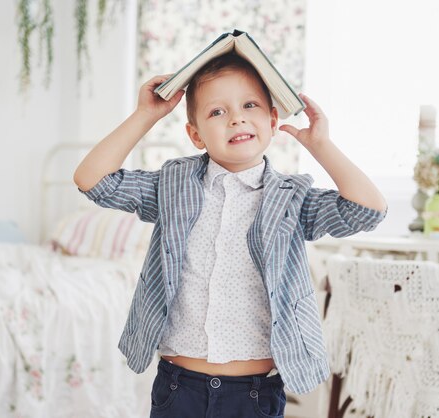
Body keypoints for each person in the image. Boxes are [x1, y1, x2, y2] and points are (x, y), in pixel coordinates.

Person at [74, 52, 387, 418]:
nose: (236, 117)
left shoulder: (291, 197)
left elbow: (367, 209)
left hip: (254, 394)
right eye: (216, 112)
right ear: (195, 135)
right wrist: (146, 115)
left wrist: (321, 146)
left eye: (250, 105)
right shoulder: (173, 186)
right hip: (179, 387)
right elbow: (92, 181)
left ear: (273, 121)